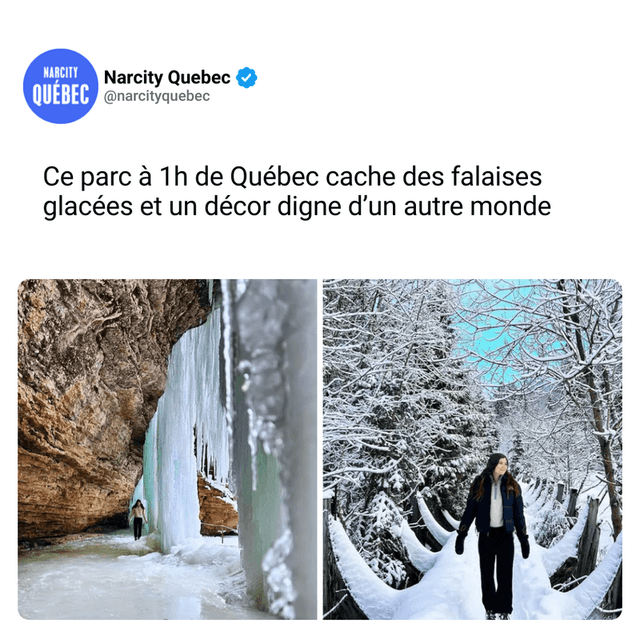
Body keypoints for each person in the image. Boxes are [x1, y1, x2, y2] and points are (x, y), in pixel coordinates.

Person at [454, 453, 530, 620]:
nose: (504, 466)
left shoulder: (512, 486)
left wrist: (523, 538)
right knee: (487, 574)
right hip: (486, 536)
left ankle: (504, 610)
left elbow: (519, 514)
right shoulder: (479, 483)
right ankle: (490, 609)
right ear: (493, 464)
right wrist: (462, 534)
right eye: (500, 463)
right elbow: (470, 510)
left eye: (506, 463)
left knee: (505, 574)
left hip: (505, 536)